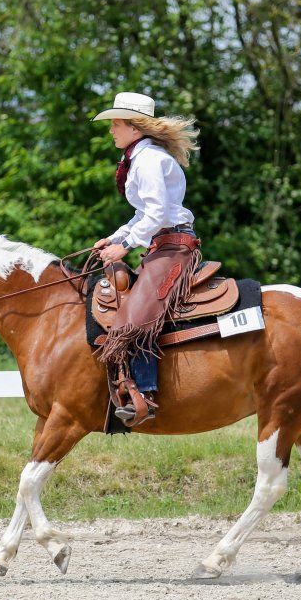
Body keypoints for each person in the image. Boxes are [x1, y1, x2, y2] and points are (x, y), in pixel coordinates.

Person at [90, 92, 201, 425]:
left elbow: (155, 213)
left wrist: (125, 247)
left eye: (116, 123)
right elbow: (144, 215)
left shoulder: (149, 160)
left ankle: (146, 394)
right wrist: (117, 237)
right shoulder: (141, 157)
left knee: (135, 320)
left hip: (174, 245)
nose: (111, 129)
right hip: (160, 244)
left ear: (134, 128)